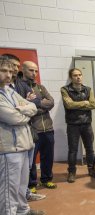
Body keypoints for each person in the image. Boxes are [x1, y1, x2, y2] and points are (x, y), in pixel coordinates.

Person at [0, 57, 45, 215]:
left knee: (21, 183)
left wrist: (23, 109)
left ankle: (22, 210)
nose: (9, 75)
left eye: (11, 71)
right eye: (4, 71)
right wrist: (23, 111)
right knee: (8, 188)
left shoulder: (9, 90)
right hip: (9, 148)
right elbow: (14, 118)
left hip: (24, 144)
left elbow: (33, 107)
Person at [22, 61, 56, 190]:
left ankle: (46, 179)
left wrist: (35, 104)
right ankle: (31, 184)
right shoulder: (20, 87)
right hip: (32, 129)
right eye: (31, 70)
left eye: (36, 71)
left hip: (48, 128)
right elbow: (23, 106)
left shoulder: (41, 87)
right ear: (23, 69)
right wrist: (42, 105)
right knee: (30, 160)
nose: (34, 73)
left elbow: (51, 102)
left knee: (48, 156)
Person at [61, 68, 95, 183]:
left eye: (80, 75)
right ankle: (72, 172)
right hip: (73, 124)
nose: (78, 77)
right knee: (72, 150)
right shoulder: (65, 89)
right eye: (75, 75)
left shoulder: (88, 89)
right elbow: (68, 105)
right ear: (71, 77)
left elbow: (92, 104)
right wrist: (84, 103)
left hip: (86, 123)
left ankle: (91, 169)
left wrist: (78, 104)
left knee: (90, 148)